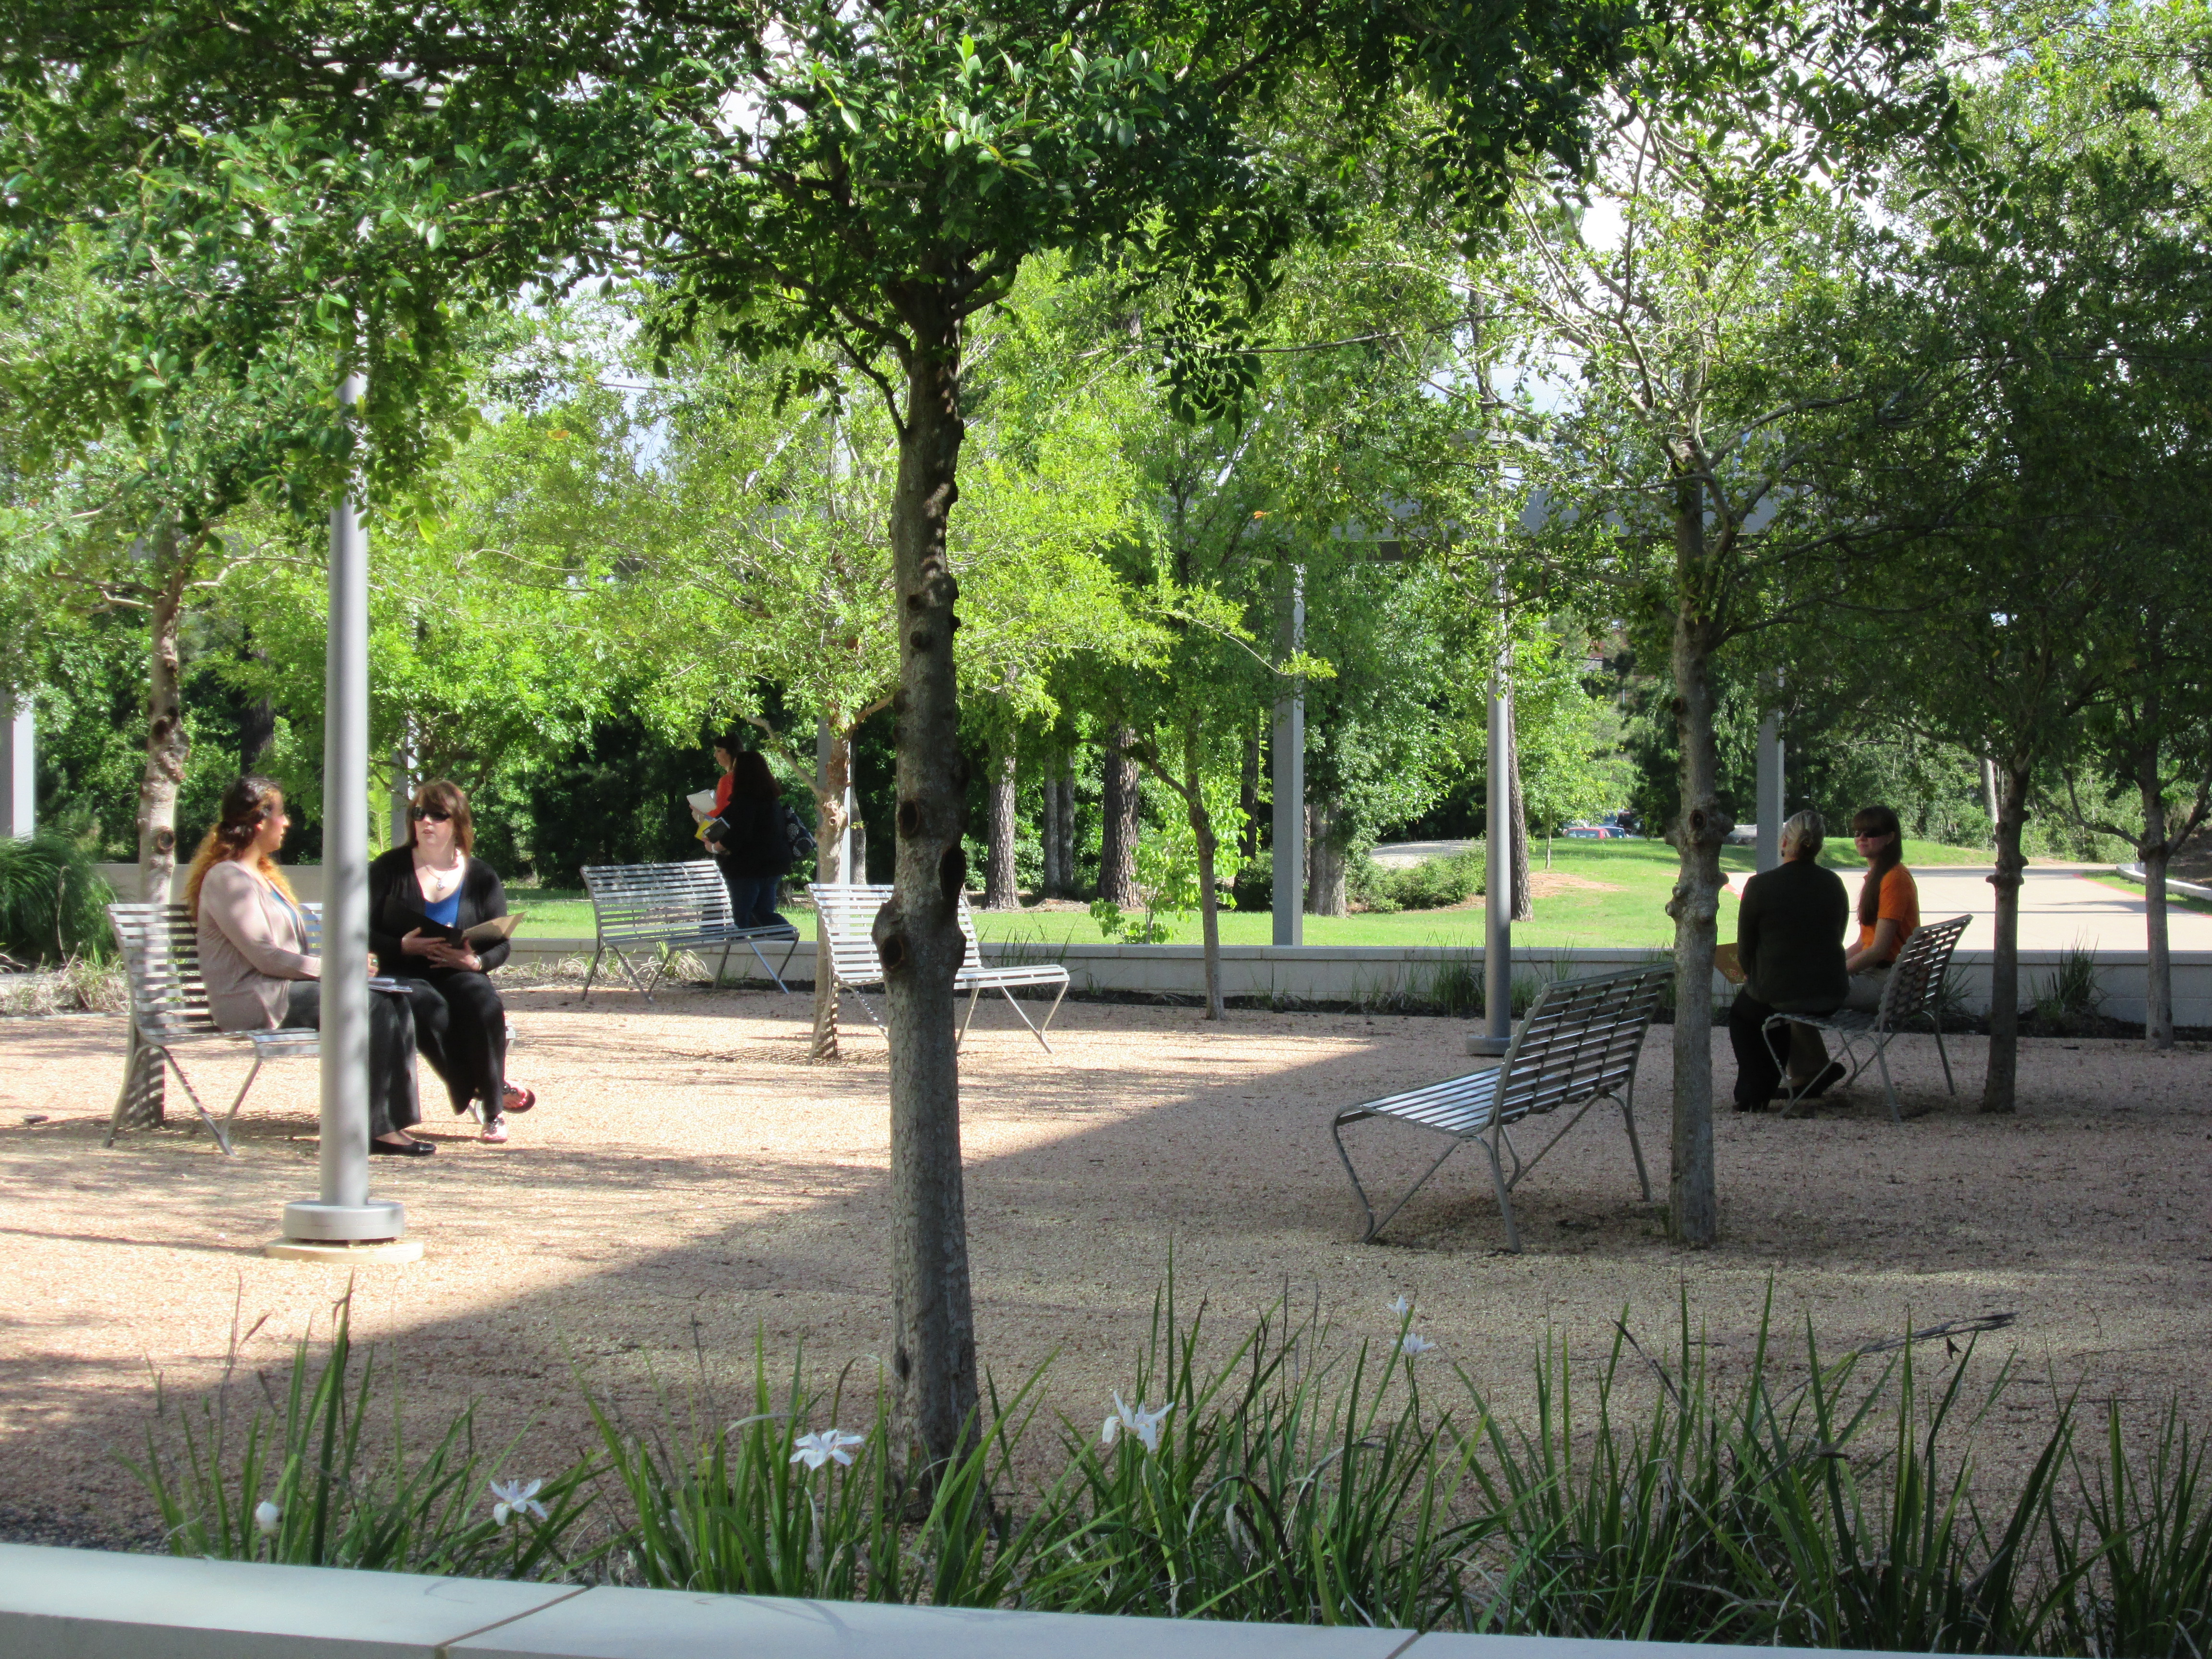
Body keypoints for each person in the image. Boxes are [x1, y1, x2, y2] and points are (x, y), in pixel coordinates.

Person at [186, 774, 429, 1154]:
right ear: (258, 820)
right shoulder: (227, 879)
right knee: (373, 1004)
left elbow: (288, 951)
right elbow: (264, 956)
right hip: (253, 997)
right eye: (281, 814)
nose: (287, 823)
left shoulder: (264, 877)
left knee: (395, 998)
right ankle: (377, 1128)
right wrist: (338, 970)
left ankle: (388, 1123)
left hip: (282, 989)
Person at [369, 780, 536, 1145]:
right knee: (427, 1007)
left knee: (484, 1002)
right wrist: (401, 946)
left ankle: (493, 1114)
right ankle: (484, 1088)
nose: (426, 822)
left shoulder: (482, 877)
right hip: (405, 970)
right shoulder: (388, 869)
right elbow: (360, 930)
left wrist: (475, 962)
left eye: (438, 815)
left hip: (460, 969)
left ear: (457, 822)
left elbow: (500, 944)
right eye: (419, 814)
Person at [1726, 809, 1850, 1112]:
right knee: (1777, 1004)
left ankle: (1754, 1091)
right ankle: (1805, 1074)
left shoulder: (1760, 886)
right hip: (1831, 991)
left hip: (1779, 991)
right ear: (1819, 845)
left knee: (1745, 1015)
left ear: (1785, 841)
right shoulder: (1833, 883)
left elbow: (1746, 949)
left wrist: (1749, 974)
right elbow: (1838, 934)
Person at [697, 740, 792, 928]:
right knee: (763, 912)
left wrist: (714, 847)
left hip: (747, 868)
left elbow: (735, 835)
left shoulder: (744, 801)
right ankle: (786, 940)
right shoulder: (772, 800)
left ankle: (750, 949)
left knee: (739, 915)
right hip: (773, 865)